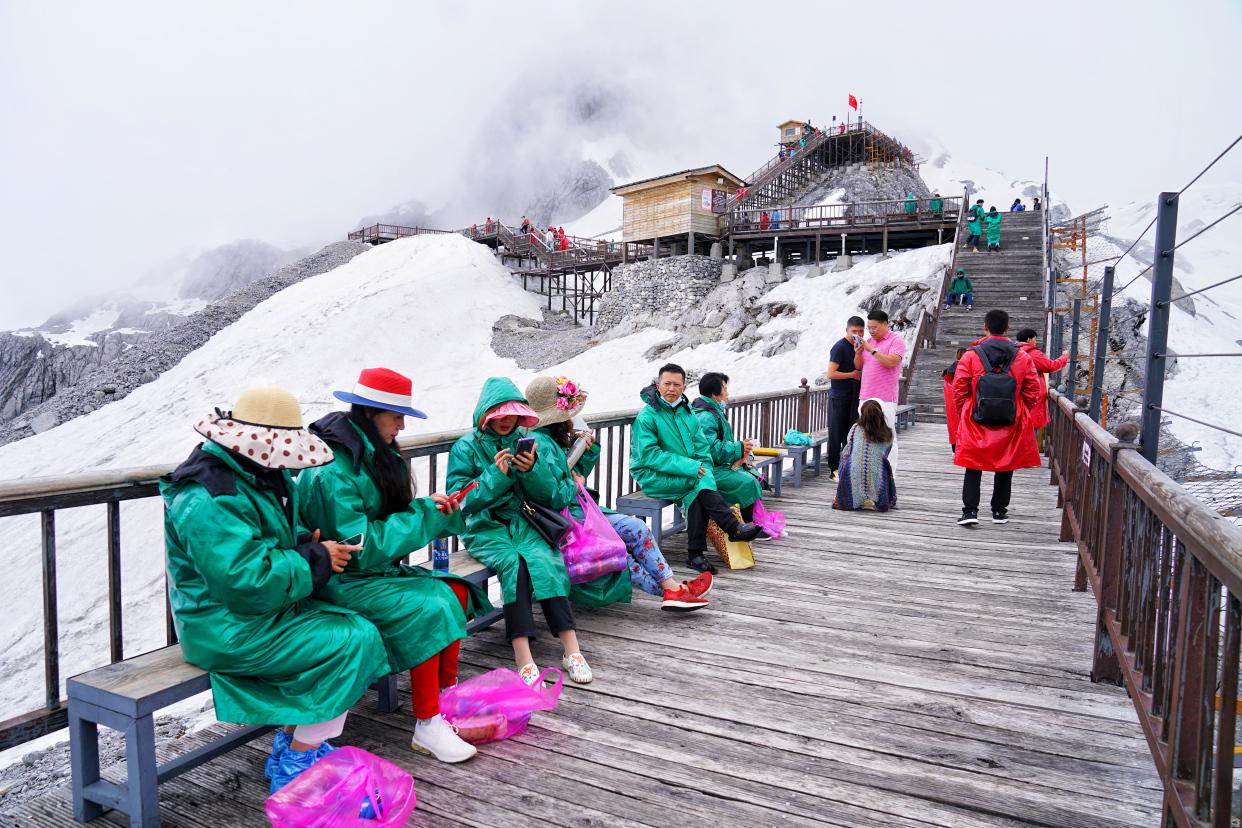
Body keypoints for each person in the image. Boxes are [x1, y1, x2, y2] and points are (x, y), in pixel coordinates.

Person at [161, 386, 389, 799]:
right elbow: (243, 581)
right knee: (353, 641)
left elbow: (258, 543)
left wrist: (304, 542)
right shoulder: (210, 494)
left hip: (250, 616)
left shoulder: (251, 474)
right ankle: (299, 763)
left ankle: (294, 746)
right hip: (224, 626)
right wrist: (315, 557)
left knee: (355, 631)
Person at [297, 368, 493, 764]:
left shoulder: (368, 453)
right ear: (369, 413)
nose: (401, 425)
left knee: (453, 591)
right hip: (339, 581)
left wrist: (433, 509)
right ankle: (428, 722)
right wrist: (426, 514)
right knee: (431, 605)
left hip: (367, 575)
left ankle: (443, 701)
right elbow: (359, 547)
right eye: (395, 416)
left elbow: (388, 520)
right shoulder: (334, 469)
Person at [446, 378, 593, 685]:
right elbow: (459, 501)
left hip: (524, 521)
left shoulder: (526, 441)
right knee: (515, 565)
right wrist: (495, 477)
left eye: (511, 414)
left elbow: (549, 496)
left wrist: (531, 470)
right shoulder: (465, 448)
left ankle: (572, 649)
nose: (506, 420)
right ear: (486, 414)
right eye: (498, 414)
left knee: (546, 559)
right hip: (485, 528)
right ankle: (523, 656)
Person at [523, 375, 710, 612]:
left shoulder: (548, 440)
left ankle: (672, 588)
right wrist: (576, 483)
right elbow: (553, 493)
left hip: (573, 511)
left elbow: (567, 474)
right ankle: (673, 589)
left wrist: (585, 454)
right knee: (625, 537)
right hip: (562, 518)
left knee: (630, 535)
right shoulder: (541, 444)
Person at [630, 364, 764, 574]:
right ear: (658, 385)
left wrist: (704, 468)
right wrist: (693, 467)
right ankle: (730, 529)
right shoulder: (647, 417)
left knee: (699, 486)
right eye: (667, 384)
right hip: (653, 474)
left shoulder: (687, 412)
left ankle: (697, 554)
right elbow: (649, 456)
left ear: (684, 387)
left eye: (676, 384)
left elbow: (702, 448)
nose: (671, 389)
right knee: (698, 484)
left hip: (687, 470)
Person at [952, 310, 1042, 526]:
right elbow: (1033, 389)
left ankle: (970, 511)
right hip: (1011, 417)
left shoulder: (971, 355)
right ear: (1007, 328)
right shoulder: (1022, 356)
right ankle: (999, 512)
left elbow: (959, 387)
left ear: (985, 326)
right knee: (1006, 463)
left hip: (976, 416)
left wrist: (965, 409)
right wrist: (1021, 408)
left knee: (973, 465)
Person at [691, 372, 763, 520]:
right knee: (747, 482)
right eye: (724, 389)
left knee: (753, 474)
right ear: (714, 394)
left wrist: (741, 453)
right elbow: (711, 450)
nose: (727, 393)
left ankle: (739, 519)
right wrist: (739, 447)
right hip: (706, 469)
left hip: (714, 466)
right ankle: (745, 525)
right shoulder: (705, 416)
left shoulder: (711, 411)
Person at [856, 310, 907, 471]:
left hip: (885, 398)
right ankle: (869, 472)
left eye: (874, 327)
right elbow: (858, 366)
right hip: (865, 396)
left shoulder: (896, 340)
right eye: (869, 327)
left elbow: (891, 362)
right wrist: (858, 353)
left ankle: (889, 475)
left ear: (885, 324)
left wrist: (871, 350)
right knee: (865, 436)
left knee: (888, 436)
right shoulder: (868, 342)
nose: (871, 331)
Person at [832, 399, 897, 512]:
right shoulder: (888, 433)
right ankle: (873, 497)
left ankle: (853, 495)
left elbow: (850, 445)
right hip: (878, 473)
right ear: (881, 414)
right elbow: (885, 453)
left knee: (846, 455)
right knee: (882, 464)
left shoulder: (855, 428)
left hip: (853, 470)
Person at [826, 317, 865, 481]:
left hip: (854, 397)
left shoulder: (861, 346)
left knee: (851, 433)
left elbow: (860, 366)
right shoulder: (839, 347)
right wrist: (852, 375)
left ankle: (847, 466)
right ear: (847, 330)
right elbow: (831, 373)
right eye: (854, 331)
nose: (857, 334)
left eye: (860, 331)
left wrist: (859, 354)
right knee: (836, 432)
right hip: (839, 396)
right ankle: (833, 469)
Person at [1014, 329, 1069, 434]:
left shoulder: (1014, 351)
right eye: (1035, 339)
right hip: (1032, 399)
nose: (1035, 342)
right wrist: (1064, 357)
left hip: (1017, 399)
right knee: (1030, 434)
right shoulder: (1032, 353)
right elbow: (1050, 366)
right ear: (1029, 339)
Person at [943, 348, 966, 454]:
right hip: (964, 401)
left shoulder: (949, 371)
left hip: (951, 402)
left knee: (953, 424)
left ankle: (955, 448)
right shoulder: (966, 368)